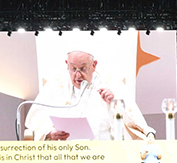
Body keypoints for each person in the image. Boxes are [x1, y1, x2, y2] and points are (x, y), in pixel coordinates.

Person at [25, 50, 154, 141]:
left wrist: (114, 103)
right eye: (73, 68)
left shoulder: (112, 84)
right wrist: (49, 132)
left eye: (83, 68)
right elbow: (36, 120)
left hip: (103, 151)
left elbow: (133, 122)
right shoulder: (55, 85)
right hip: (65, 153)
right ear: (67, 64)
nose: (77, 75)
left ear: (94, 65)